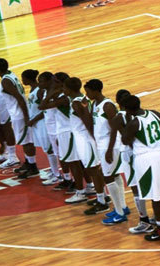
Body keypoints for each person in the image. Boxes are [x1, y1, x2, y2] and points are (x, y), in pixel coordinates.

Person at [122, 94, 160, 240]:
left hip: (145, 158)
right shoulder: (153, 113)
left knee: (155, 195)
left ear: (126, 109)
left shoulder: (134, 123)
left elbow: (125, 140)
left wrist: (126, 125)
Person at [39, 72, 95, 204]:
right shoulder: (71, 96)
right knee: (79, 162)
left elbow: (42, 106)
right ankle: (89, 186)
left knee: (73, 163)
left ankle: (80, 192)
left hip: (68, 132)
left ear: (60, 83)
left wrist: (51, 94)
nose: (52, 83)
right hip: (68, 132)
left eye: (54, 81)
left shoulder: (65, 98)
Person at [84, 79, 129, 225]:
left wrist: (110, 149)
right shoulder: (94, 104)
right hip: (102, 145)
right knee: (114, 175)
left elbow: (115, 129)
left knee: (108, 177)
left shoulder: (108, 106)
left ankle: (120, 213)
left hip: (110, 146)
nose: (87, 94)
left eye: (88, 91)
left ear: (95, 90)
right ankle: (122, 207)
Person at [63, 77, 109, 215]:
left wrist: (93, 138)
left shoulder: (77, 103)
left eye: (64, 88)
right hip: (84, 138)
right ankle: (103, 196)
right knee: (92, 169)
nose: (63, 90)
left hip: (85, 139)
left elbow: (87, 122)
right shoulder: (82, 99)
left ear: (70, 89)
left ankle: (102, 201)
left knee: (93, 170)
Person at [113, 90, 153, 234]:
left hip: (130, 153)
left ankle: (144, 220)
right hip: (144, 152)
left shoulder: (119, 118)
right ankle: (157, 218)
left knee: (136, 187)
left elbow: (126, 138)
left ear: (118, 102)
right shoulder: (141, 115)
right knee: (150, 185)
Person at [0, 58, 39, 178]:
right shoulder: (11, 74)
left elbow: (20, 98)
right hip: (19, 113)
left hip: (19, 115)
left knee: (26, 141)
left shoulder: (6, 81)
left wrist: (26, 116)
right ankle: (29, 163)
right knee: (25, 140)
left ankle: (33, 167)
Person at [22, 69, 62, 184]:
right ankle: (54, 171)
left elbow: (43, 109)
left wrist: (33, 120)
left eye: (42, 81)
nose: (40, 83)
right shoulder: (36, 90)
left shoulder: (39, 92)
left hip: (42, 123)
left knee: (50, 150)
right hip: (37, 123)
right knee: (47, 149)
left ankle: (56, 174)